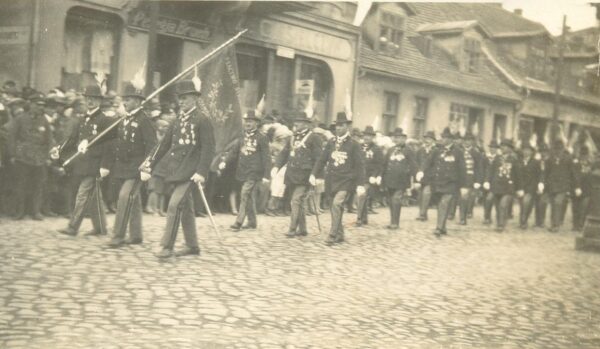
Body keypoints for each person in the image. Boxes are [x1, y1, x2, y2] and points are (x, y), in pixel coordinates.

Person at [143, 80, 214, 258]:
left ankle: (167, 246)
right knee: (186, 208)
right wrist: (148, 164)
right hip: (176, 171)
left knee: (174, 205)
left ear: (194, 99)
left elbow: (208, 148)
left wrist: (201, 172)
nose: (181, 102)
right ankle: (192, 246)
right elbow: (163, 145)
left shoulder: (202, 120)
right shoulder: (176, 121)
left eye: (185, 98)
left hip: (191, 173)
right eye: (179, 99)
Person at [56, 85, 117, 236]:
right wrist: (59, 149)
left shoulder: (106, 120)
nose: (90, 101)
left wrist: (105, 165)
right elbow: (72, 139)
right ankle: (101, 227)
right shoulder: (82, 119)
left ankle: (73, 226)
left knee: (83, 193)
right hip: (82, 164)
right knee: (94, 196)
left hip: (95, 164)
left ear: (99, 101)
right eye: (88, 98)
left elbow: (109, 143)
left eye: (94, 98)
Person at [106, 83, 157, 248]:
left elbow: (152, 145)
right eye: (124, 100)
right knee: (133, 200)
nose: (125, 103)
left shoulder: (144, 120)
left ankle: (118, 235)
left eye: (128, 100)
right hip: (123, 166)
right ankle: (136, 235)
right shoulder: (124, 119)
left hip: (137, 167)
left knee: (124, 197)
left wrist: (147, 166)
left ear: (137, 101)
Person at [310, 112, 366, 246]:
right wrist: (313, 174)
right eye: (337, 126)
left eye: (341, 126)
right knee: (335, 207)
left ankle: (332, 234)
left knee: (336, 204)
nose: (338, 128)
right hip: (332, 180)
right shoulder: (331, 142)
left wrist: (360, 184)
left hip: (346, 181)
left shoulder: (354, 144)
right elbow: (322, 160)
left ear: (347, 127)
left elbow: (360, 165)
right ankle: (340, 234)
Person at [273, 111, 323, 238]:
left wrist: (315, 175)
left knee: (296, 200)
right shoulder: (293, 137)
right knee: (298, 201)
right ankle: (303, 229)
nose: (297, 124)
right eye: (296, 122)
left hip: (305, 176)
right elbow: (284, 153)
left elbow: (319, 159)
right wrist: (276, 166)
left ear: (306, 124)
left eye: (300, 122)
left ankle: (292, 228)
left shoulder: (314, 138)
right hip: (292, 174)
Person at [221, 110, 271, 231]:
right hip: (242, 170)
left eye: (250, 121)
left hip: (255, 172)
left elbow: (266, 157)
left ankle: (238, 222)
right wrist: (224, 161)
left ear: (256, 123)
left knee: (244, 193)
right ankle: (252, 222)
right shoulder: (242, 136)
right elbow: (234, 151)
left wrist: (266, 175)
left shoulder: (262, 138)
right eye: (246, 121)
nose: (247, 123)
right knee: (248, 197)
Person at [8, 92, 54, 220]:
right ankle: (19, 211)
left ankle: (36, 211)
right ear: (31, 105)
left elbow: (49, 139)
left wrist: (49, 156)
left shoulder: (44, 120)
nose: (41, 107)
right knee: (21, 184)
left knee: (38, 185)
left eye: (43, 105)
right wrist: (12, 154)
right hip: (22, 156)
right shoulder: (20, 119)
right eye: (38, 105)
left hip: (39, 158)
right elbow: (12, 138)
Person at [421, 127, 467, 237]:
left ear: (451, 139)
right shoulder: (437, 150)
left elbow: (462, 169)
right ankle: (443, 227)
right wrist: (421, 171)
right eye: (442, 137)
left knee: (444, 203)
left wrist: (464, 186)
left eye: (446, 138)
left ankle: (439, 228)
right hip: (438, 182)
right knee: (440, 204)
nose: (443, 139)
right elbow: (428, 162)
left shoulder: (458, 152)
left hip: (451, 183)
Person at [381, 128, 417, 230]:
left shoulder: (409, 151)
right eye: (396, 137)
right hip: (389, 179)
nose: (397, 140)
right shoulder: (390, 150)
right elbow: (384, 164)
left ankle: (395, 223)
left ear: (404, 139)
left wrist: (415, 180)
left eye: (400, 138)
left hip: (402, 181)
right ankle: (393, 221)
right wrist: (382, 178)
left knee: (396, 199)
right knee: (391, 201)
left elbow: (413, 165)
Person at [545, 140, 581, 232]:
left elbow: (573, 173)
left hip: (563, 186)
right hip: (552, 186)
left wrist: (577, 186)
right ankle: (553, 223)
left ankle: (556, 225)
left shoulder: (568, 159)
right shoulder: (550, 159)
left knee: (558, 202)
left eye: (559, 149)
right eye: (555, 149)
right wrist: (543, 184)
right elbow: (546, 173)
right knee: (553, 205)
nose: (557, 151)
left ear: (563, 149)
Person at [484, 139, 519, 232]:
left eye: (505, 146)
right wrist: (487, 181)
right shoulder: (497, 158)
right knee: (495, 204)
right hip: (496, 186)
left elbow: (518, 175)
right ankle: (495, 220)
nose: (503, 148)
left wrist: (519, 188)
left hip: (508, 187)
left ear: (510, 149)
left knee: (503, 205)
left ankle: (501, 225)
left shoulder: (514, 160)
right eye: (502, 146)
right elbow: (491, 171)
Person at [355, 126, 384, 227]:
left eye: (369, 136)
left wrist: (375, 175)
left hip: (369, 177)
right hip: (358, 176)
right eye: (365, 135)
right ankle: (364, 218)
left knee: (361, 195)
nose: (366, 137)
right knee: (362, 196)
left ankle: (359, 218)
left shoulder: (377, 149)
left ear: (373, 137)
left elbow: (380, 164)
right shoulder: (358, 147)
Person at [458, 133, 484, 225]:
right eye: (465, 140)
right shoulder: (459, 151)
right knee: (462, 198)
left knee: (466, 197)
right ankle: (462, 216)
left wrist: (478, 181)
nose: (466, 142)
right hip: (460, 177)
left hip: (471, 177)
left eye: (469, 140)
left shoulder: (476, 153)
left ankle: (463, 217)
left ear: (472, 142)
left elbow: (479, 168)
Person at [516, 142, 543, 229]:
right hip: (520, 187)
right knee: (523, 204)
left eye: (528, 150)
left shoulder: (535, 162)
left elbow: (540, 174)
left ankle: (523, 222)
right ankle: (523, 220)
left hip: (531, 187)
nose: (526, 152)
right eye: (524, 150)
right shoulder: (518, 161)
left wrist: (540, 184)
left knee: (526, 202)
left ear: (531, 152)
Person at [415, 131, 436, 221]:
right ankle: (422, 212)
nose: (427, 140)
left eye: (429, 139)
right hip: (420, 176)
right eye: (426, 138)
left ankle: (422, 214)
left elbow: (436, 165)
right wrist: (417, 173)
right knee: (420, 195)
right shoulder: (420, 150)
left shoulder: (436, 150)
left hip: (431, 177)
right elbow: (416, 163)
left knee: (426, 194)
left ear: (433, 140)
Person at [482, 140, 499, 225]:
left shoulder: (499, 158)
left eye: (494, 148)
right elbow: (482, 169)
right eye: (491, 147)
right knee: (486, 200)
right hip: (485, 182)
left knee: (491, 200)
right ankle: (487, 217)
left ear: (497, 149)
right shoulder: (485, 158)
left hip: (495, 183)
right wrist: (484, 181)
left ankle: (498, 217)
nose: (492, 149)